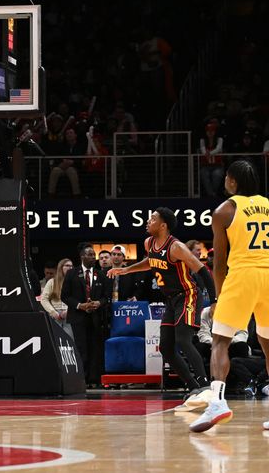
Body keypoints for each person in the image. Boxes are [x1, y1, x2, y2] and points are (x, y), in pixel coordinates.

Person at [188, 161, 269, 432]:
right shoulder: (268, 205)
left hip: (243, 275)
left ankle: (218, 402)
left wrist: (219, 296)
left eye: (226, 178)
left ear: (232, 181)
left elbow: (219, 262)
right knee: (268, 343)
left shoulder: (225, 210)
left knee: (220, 340)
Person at [108, 207, 213, 412]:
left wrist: (215, 299)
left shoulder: (176, 247)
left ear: (163, 225)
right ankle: (193, 387)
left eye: (153, 218)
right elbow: (151, 262)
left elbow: (202, 271)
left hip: (188, 295)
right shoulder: (149, 243)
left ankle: (205, 386)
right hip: (171, 300)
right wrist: (127, 269)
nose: (148, 221)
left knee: (183, 339)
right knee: (165, 347)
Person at [61, 244, 110, 387]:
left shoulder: (101, 274)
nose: (93, 258)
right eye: (90, 255)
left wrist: (98, 303)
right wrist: (79, 305)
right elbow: (65, 296)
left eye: (94, 255)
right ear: (82, 256)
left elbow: (107, 297)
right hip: (78, 316)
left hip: (96, 317)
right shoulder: (72, 273)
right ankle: (83, 379)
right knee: (81, 348)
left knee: (95, 348)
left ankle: (95, 380)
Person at [40, 258, 73, 337]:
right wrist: (53, 313)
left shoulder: (75, 282)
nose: (70, 268)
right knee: (55, 339)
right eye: (67, 266)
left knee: (70, 339)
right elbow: (44, 299)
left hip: (69, 314)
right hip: (55, 314)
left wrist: (68, 311)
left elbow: (78, 299)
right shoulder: (52, 282)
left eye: (72, 266)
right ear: (61, 267)